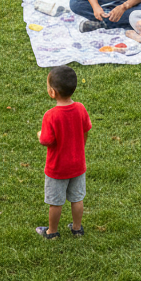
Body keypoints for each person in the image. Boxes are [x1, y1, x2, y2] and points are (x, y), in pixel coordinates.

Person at [36, 66, 91, 240]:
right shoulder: (80, 108)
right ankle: (76, 229)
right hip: (77, 165)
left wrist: (39, 134)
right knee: (77, 198)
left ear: (52, 92)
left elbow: (46, 140)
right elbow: (86, 130)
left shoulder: (50, 115)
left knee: (55, 202)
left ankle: (52, 232)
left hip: (57, 168)